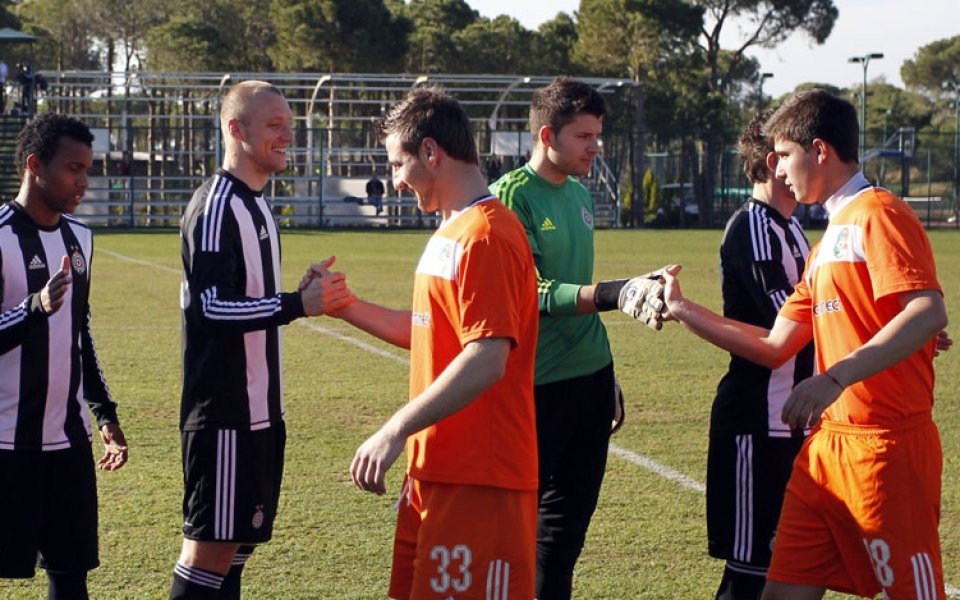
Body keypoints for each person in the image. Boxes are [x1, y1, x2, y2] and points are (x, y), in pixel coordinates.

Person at [662, 89, 949, 600]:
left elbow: (926, 311)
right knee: (779, 594)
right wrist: (684, 309)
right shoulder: (827, 238)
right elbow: (775, 344)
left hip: (885, 446)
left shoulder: (877, 213)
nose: (778, 169)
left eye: (785, 155)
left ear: (820, 151)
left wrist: (836, 376)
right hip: (824, 449)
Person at [320, 86, 541, 599]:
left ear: (430, 152)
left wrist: (395, 428)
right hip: (435, 471)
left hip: (481, 479)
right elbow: (426, 331)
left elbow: (487, 358)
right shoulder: (451, 230)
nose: (395, 181)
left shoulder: (485, 235)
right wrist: (343, 305)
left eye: (398, 163)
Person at [170, 81, 354, 600]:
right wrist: (297, 305)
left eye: (288, 125)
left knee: (232, 556)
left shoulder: (258, 206)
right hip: (224, 414)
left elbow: (244, 296)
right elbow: (209, 307)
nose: (287, 135)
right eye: (274, 125)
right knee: (207, 556)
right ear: (236, 129)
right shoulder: (217, 207)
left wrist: (295, 292)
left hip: (260, 414)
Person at [490, 77, 665, 600]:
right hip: (536, 390)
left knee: (563, 542)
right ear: (548, 135)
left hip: (590, 382)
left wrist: (605, 375)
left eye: (598, 134)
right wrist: (616, 294)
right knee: (520, 536)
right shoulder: (509, 198)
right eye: (585, 136)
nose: (596, 146)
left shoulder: (582, 193)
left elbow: (577, 285)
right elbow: (533, 293)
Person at [0, 113, 129, 599]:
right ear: (35, 165)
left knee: (71, 575)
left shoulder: (81, 239)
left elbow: (79, 331)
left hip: (67, 442)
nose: (84, 181)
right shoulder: (0, 238)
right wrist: (35, 307)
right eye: (73, 169)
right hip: (6, 444)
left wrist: (103, 413)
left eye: (87, 169)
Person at [706, 110, 813, 600]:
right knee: (749, 575)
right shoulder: (752, 226)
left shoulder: (790, 228)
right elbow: (787, 326)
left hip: (791, 419)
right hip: (756, 421)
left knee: (788, 566)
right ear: (774, 162)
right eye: (798, 151)